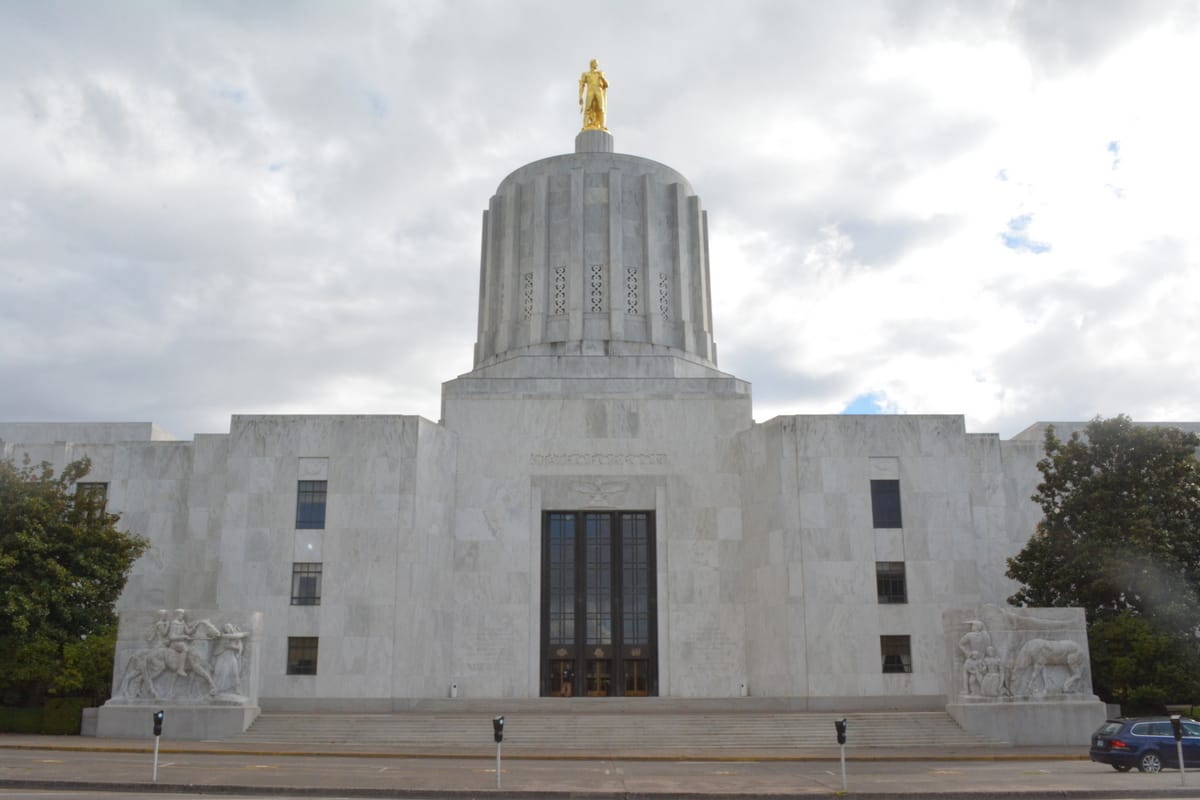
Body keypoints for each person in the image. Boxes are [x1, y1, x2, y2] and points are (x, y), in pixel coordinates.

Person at [578, 59, 608, 131]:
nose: (597, 65)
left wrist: (602, 77)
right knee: (587, 109)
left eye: (597, 64)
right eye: (595, 63)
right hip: (590, 92)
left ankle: (602, 126)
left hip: (599, 91)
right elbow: (582, 85)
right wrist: (580, 96)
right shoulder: (586, 74)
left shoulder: (600, 73)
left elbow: (607, 85)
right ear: (592, 64)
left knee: (601, 108)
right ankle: (585, 126)